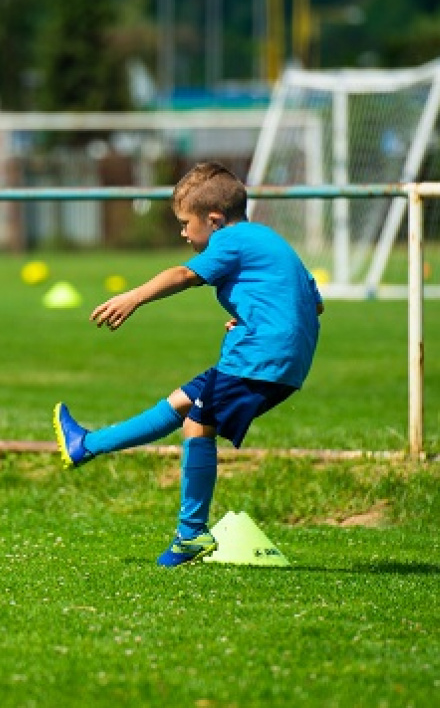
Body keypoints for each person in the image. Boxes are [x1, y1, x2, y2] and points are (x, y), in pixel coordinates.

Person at [53, 161, 324, 567]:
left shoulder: (229, 242)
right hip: (279, 355)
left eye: (185, 223)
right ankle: (85, 446)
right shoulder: (265, 239)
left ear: (214, 220)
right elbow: (313, 303)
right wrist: (258, 314)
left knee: (199, 422)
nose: (183, 233)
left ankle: (190, 534)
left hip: (259, 355)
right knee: (181, 403)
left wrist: (133, 298)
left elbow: (183, 274)